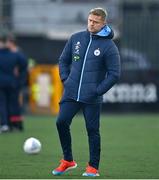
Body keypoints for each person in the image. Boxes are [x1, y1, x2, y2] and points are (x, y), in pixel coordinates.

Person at [52, 7, 121, 177]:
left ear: (103, 23)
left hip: (92, 97)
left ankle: (93, 167)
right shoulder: (76, 38)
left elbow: (114, 74)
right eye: (90, 20)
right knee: (61, 122)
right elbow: (63, 60)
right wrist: (65, 80)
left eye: (95, 22)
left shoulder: (109, 46)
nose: (91, 24)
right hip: (71, 92)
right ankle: (68, 160)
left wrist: (97, 91)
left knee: (92, 130)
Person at [0, 32, 28, 133]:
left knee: (2, 104)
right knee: (14, 104)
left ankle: (4, 124)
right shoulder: (15, 54)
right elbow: (24, 64)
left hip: (1, 83)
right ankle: (15, 124)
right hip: (13, 82)